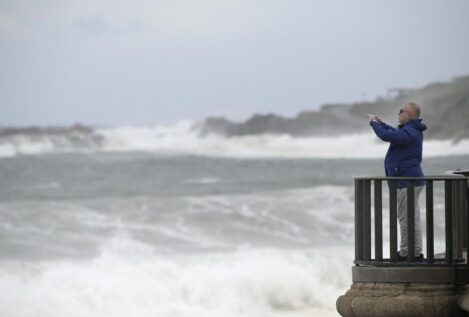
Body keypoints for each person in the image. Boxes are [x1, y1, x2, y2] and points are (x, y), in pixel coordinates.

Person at [367, 102, 427, 262]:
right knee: (412, 218)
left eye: (401, 111)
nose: (398, 114)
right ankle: (415, 253)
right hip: (409, 180)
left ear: (410, 115)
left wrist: (373, 123)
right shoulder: (410, 131)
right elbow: (392, 132)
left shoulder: (411, 132)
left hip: (407, 181)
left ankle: (406, 253)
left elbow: (388, 136)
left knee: (406, 219)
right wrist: (381, 123)